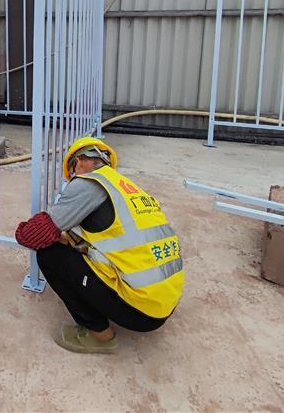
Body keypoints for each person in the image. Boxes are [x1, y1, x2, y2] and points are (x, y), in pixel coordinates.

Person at [15, 137, 183, 354]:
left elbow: (33, 235)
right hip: (165, 302)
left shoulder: (88, 184)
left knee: (50, 256)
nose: (72, 180)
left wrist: (24, 230)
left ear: (79, 162)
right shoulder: (128, 188)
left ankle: (100, 335)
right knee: (66, 247)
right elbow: (112, 238)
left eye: (71, 174)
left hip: (140, 312)